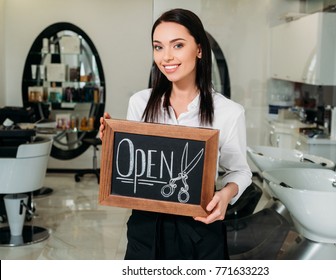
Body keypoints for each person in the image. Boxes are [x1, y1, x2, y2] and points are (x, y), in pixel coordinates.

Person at [99, 8, 252, 260]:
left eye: (177, 45)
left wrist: (226, 194)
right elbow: (132, 169)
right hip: (146, 229)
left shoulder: (229, 112)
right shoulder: (140, 102)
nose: (166, 57)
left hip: (200, 228)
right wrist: (112, 146)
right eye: (158, 47)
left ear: (199, 49)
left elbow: (240, 170)